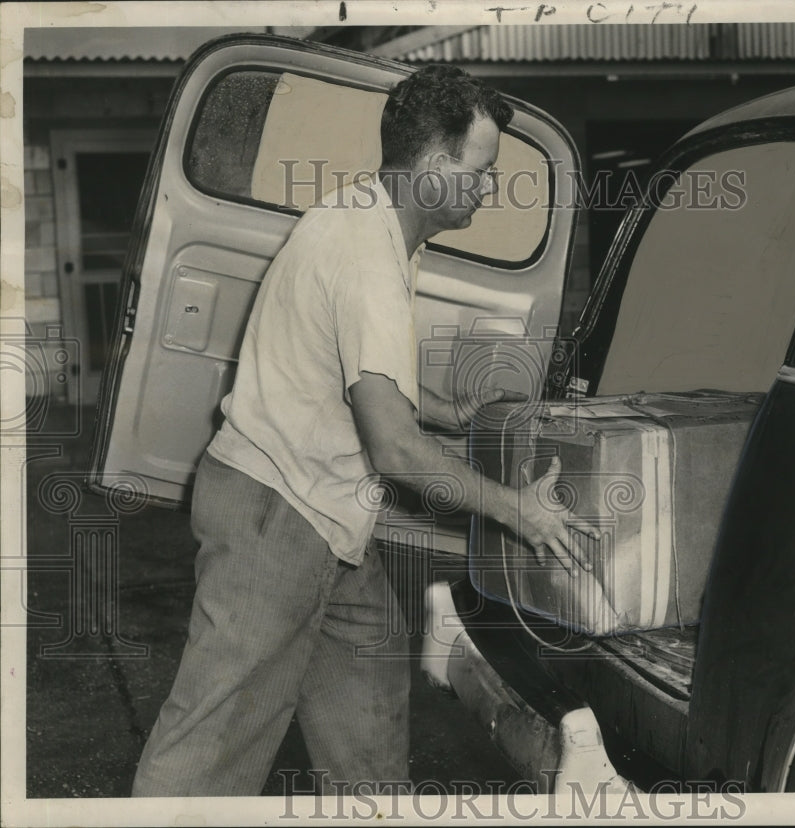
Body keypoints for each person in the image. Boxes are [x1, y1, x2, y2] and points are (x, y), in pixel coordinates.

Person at [131, 64, 594, 798]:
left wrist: (451, 412)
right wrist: (518, 510)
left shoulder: (369, 219)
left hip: (329, 515)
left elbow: (355, 380)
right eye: (481, 172)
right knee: (209, 743)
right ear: (437, 166)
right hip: (275, 519)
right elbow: (395, 450)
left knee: (370, 722)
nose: (488, 189)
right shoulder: (367, 255)